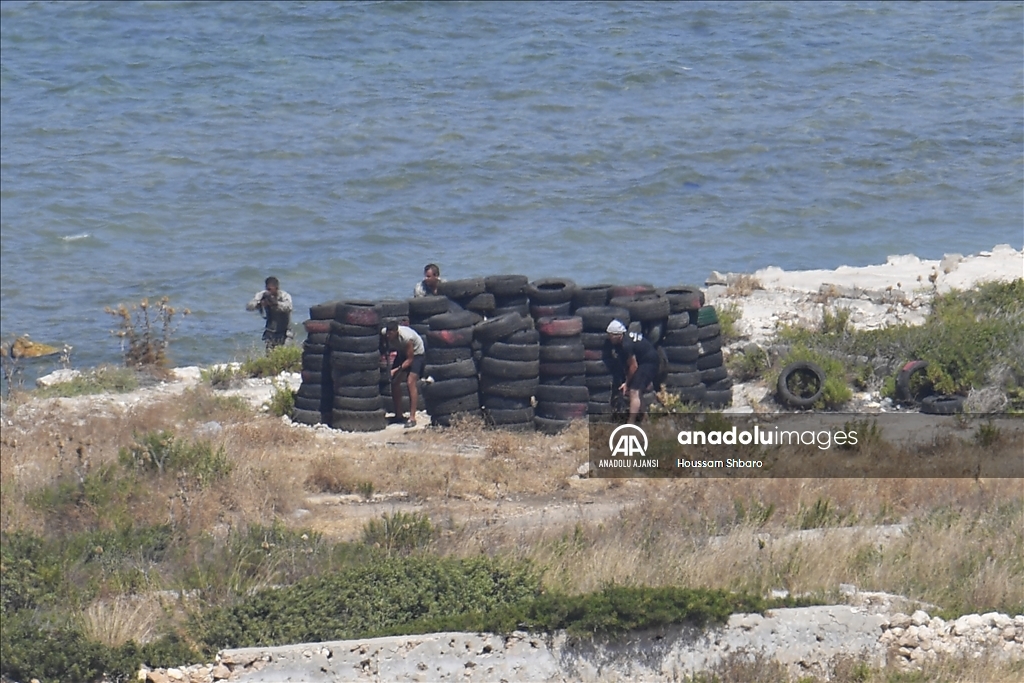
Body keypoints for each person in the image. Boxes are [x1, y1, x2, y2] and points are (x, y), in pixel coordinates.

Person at [606, 320, 660, 424]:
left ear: (618, 335)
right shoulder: (624, 339)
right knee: (637, 390)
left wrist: (627, 383)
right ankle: (645, 419)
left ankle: (631, 422)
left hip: (649, 363)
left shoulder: (626, 345)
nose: (609, 338)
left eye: (611, 335)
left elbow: (633, 366)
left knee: (634, 391)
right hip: (645, 361)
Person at [383, 320, 426, 428]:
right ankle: (398, 415)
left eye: (391, 333)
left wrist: (396, 370)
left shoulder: (407, 338)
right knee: (394, 382)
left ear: (396, 332)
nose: (388, 335)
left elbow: (410, 360)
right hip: (402, 352)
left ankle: (412, 418)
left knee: (410, 382)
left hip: (416, 355)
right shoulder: (384, 333)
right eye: (387, 333)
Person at [246, 276, 293, 351]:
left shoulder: (284, 296)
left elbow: (289, 307)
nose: (269, 292)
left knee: (284, 355)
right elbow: (249, 307)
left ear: (276, 288)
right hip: (270, 332)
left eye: (270, 289)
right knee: (270, 356)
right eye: (267, 289)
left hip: (285, 333)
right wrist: (259, 304)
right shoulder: (263, 295)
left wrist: (275, 303)